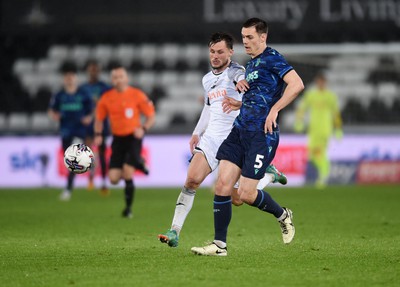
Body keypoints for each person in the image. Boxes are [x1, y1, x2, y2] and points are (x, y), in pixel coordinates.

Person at [158, 32, 287, 248]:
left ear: (230, 52)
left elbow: (238, 78)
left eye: (220, 52)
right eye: (212, 51)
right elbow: (208, 107)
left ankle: (268, 176)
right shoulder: (207, 79)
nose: (215, 56)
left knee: (238, 199)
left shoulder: (239, 71)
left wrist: (240, 82)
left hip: (235, 138)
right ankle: (174, 231)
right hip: (211, 138)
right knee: (191, 181)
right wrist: (197, 132)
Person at [191, 18, 304, 256]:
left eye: (250, 37)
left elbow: (296, 84)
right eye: (243, 37)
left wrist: (276, 110)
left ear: (263, 37)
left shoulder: (272, 58)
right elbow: (255, 99)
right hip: (239, 130)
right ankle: (219, 246)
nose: (246, 42)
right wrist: (238, 103)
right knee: (222, 186)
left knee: (245, 194)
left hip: (262, 135)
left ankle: (283, 214)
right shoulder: (250, 66)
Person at [94, 65, 155, 218]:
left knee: (128, 173)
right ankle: (139, 162)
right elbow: (99, 119)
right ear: (112, 80)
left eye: (121, 76)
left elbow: (151, 115)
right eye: (115, 77)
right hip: (117, 139)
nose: (118, 80)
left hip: (133, 138)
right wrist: (98, 134)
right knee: (113, 179)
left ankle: (128, 209)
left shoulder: (137, 95)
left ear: (126, 78)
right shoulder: (106, 98)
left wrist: (144, 128)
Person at [48, 62, 93, 201]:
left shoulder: (83, 94)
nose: (69, 79)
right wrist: (54, 116)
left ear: (76, 78)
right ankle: (87, 167)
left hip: (79, 131)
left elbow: (92, 110)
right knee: (68, 160)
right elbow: (51, 110)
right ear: (64, 79)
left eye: (71, 76)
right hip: (65, 131)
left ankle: (68, 189)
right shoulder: (59, 95)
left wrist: (88, 118)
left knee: (73, 157)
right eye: (67, 76)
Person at [294, 73, 343, 188]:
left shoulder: (330, 96)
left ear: (325, 83)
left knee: (320, 152)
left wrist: (338, 128)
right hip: (313, 129)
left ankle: (323, 175)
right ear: (317, 83)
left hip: (325, 129)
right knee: (312, 154)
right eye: (319, 82)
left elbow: (335, 113)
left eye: (323, 82)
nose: (321, 84)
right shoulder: (311, 95)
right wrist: (299, 121)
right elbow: (302, 108)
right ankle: (323, 173)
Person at [80, 60, 111, 195]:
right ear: (88, 71)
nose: (93, 72)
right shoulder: (82, 88)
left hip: (101, 125)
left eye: (95, 69)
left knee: (102, 154)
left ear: (98, 71)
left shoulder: (104, 87)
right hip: (87, 126)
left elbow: (109, 104)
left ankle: (104, 183)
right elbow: (80, 105)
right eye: (91, 70)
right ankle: (91, 178)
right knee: (89, 154)